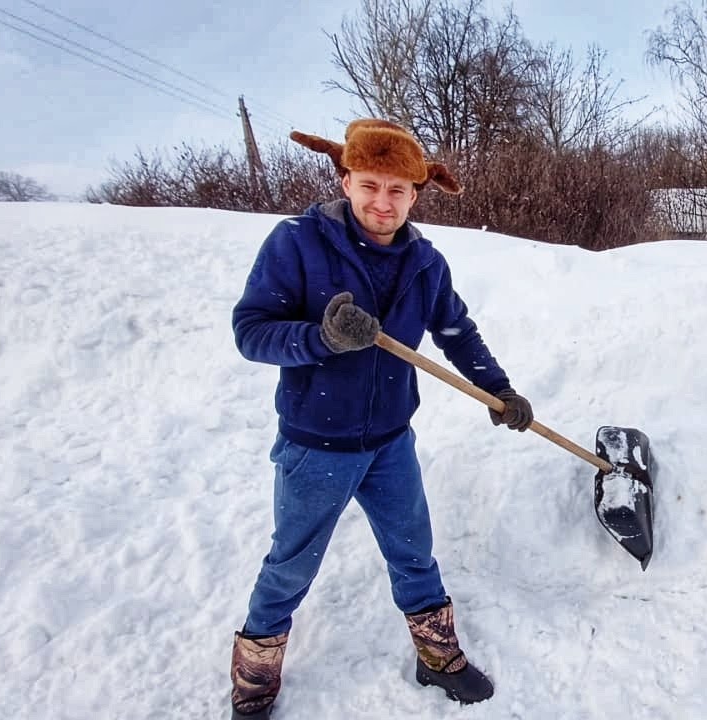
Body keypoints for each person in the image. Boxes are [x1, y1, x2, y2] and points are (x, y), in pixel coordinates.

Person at [228, 118, 534, 718]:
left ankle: (437, 657)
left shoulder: (425, 261)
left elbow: (455, 330)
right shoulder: (297, 244)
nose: (382, 202)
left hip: (391, 441)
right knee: (291, 564)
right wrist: (321, 338)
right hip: (316, 444)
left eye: (397, 190)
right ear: (345, 181)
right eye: (369, 185)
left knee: (414, 551)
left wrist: (499, 390)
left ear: (416, 194)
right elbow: (251, 331)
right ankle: (255, 679)